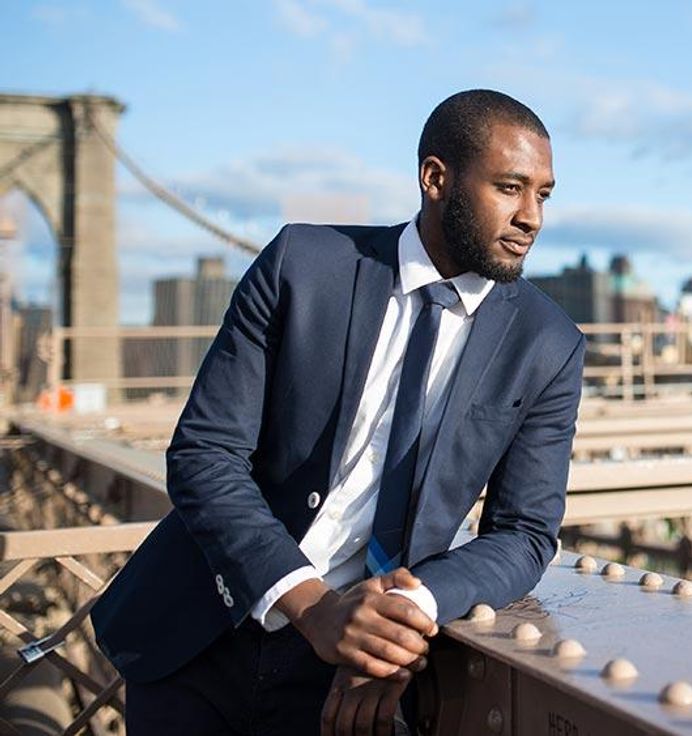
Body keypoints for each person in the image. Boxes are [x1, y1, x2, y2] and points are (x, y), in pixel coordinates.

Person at [91, 89, 585, 735]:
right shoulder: (302, 266)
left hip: (341, 680)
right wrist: (312, 606)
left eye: (543, 194)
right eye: (510, 188)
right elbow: (205, 454)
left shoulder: (548, 344)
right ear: (435, 179)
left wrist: (402, 616)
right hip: (200, 635)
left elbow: (523, 532)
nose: (531, 217)